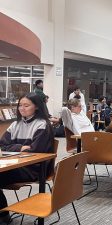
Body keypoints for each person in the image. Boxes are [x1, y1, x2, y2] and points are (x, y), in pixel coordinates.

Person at [0, 92, 54, 223]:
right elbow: (2, 145)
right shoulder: (15, 124)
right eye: (20, 105)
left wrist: (14, 146)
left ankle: (3, 216)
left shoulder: (42, 124)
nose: (22, 108)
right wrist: (21, 148)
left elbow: (36, 151)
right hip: (14, 164)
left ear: (36, 107)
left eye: (26, 105)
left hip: (34, 168)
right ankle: (3, 214)